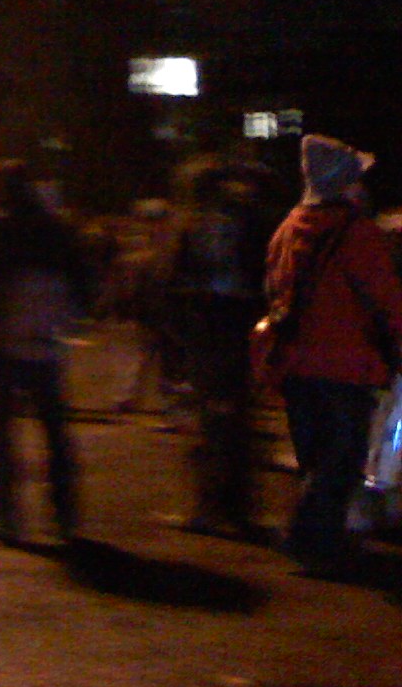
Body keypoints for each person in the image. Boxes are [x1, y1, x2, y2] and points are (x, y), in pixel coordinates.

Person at [261, 135, 402, 573]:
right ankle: (310, 541)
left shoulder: (288, 227)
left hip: (296, 363)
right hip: (345, 362)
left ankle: (320, 540)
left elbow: (273, 289)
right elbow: (386, 298)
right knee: (342, 459)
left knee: (315, 457)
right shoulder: (357, 233)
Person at [0, 159, 93, 545]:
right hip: (45, 336)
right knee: (54, 429)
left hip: (5, 335)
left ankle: (9, 517)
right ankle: (65, 517)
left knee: (4, 433)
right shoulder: (56, 228)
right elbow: (79, 278)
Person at [161, 160, 273, 537]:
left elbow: (173, 279)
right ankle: (239, 507)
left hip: (208, 325)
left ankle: (209, 507)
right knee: (237, 418)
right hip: (240, 324)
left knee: (211, 420)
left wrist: (177, 332)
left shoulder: (194, 224)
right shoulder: (250, 219)